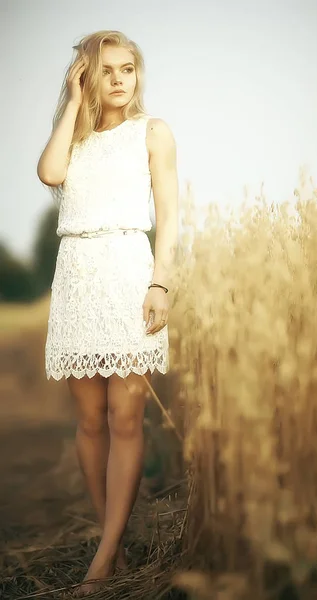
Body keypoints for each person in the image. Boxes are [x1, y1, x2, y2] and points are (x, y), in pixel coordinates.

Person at [36, 30, 178, 595]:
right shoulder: (75, 137)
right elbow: (49, 174)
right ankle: (110, 540)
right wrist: (73, 105)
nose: (121, 79)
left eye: (129, 69)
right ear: (86, 76)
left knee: (125, 418)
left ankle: (103, 560)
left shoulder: (154, 132)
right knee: (91, 419)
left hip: (127, 271)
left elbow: (168, 216)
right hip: (75, 277)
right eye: (108, 70)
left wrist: (160, 283)